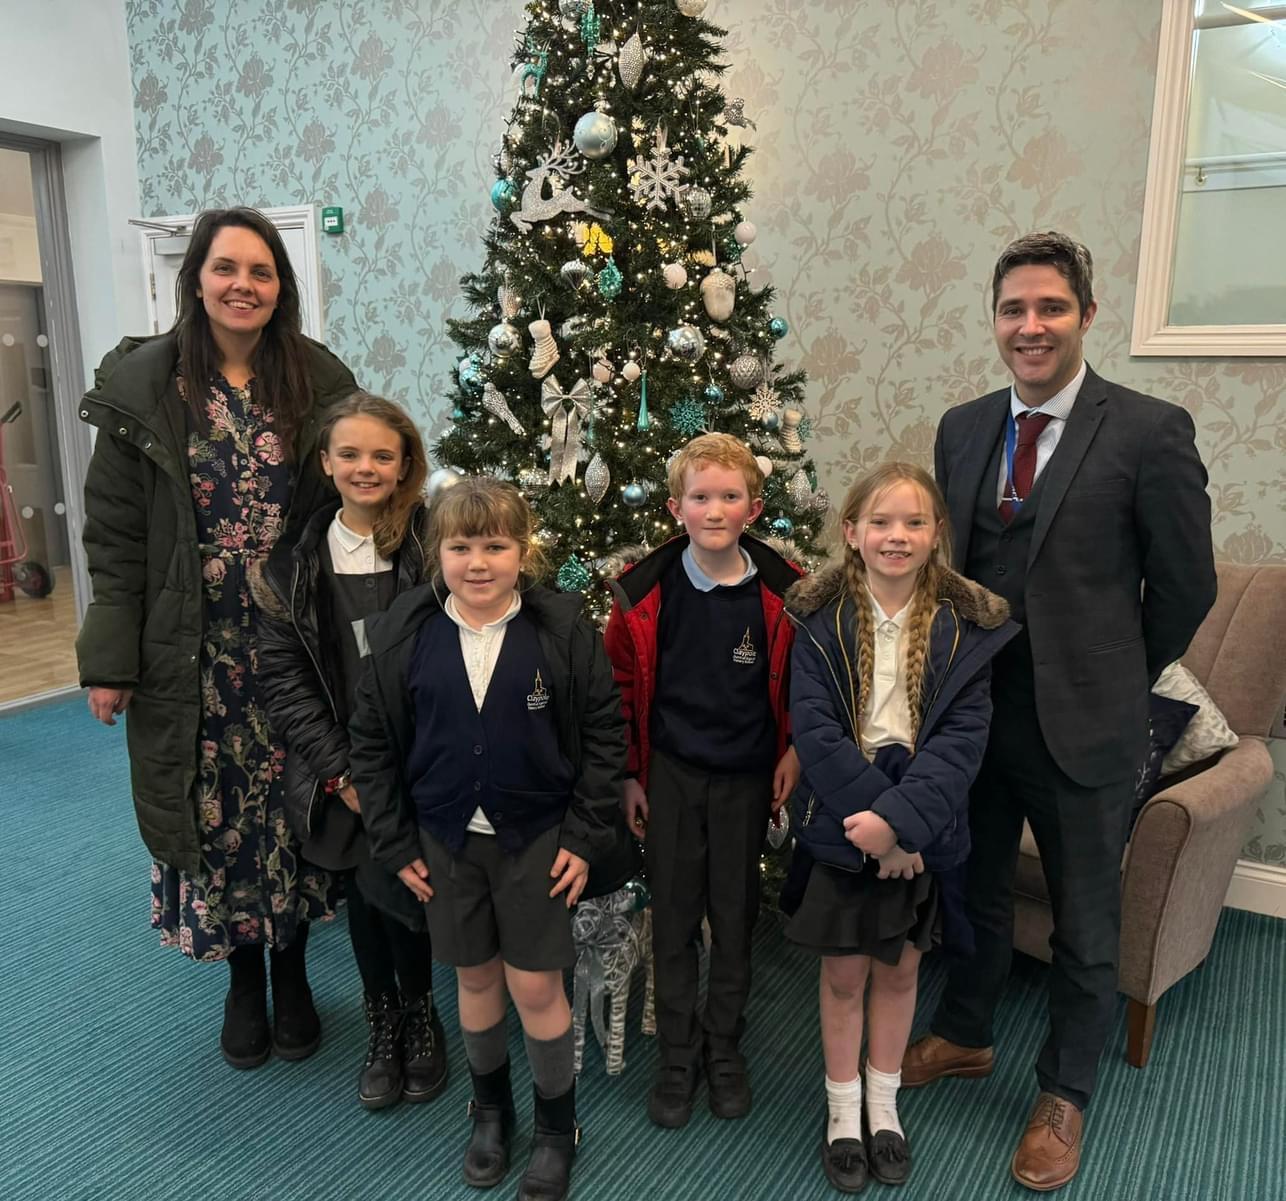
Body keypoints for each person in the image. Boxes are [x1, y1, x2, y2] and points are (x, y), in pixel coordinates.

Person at [903, 231, 1217, 1191]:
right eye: (1013, 309)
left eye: (1050, 307)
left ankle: (1064, 1090)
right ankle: (965, 1030)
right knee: (974, 889)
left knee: (1085, 918)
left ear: (1087, 314)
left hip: (1086, 723)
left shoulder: (1150, 431)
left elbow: (1187, 586)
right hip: (974, 716)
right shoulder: (962, 428)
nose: (1030, 326)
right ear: (995, 320)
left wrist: (1118, 671)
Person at [76, 206, 359, 1068]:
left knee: (294, 800)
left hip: (294, 642)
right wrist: (109, 660)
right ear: (195, 279)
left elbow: (354, 505)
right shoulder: (147, 388)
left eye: (261, 271)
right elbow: (115, 537)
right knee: (220, 809)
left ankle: (293, 969)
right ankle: (242, 980)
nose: (244, 285)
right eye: (226, 268)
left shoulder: (316, 380)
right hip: (193, 647)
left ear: (281, 287)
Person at [348, 476, 624, 1201]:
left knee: (534, 983)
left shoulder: (562, 633)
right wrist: (394, 841)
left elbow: (605, 738)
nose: (477, 563)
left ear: (523, 552)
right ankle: (490, 1110)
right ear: (436, 552)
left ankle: (557, 1127)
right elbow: (371, 745)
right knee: (473, 977)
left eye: (495, 546)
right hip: (444, 839)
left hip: (536, 838)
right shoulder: (403, 635)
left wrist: (584, 835)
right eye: (461, 546)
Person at [781, 462, 1017, 1192]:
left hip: (924, 822)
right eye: (880, 522)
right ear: (851, 531)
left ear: (936, 532)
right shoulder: (818, 620)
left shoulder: (967, 627)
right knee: (844, 974)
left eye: (914, 522)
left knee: (901, 968)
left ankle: (883, 1107)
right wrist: (876, 825)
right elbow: (814, 731)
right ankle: (842, 1112)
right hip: (843, 818)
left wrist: (905, 827)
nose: (897, 536)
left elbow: (963, 741)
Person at [253, 391, 449, 1109]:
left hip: (424, 759)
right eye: (351, 454)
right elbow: (285, 681)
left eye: (383, 456)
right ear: (326, 462)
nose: (366, 467)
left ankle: (422, 1011)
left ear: (405, 466)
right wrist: (342, 773)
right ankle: (383, 1016)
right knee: (369, 889)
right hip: (343, 768)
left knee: (410, 886)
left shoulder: (435, 546)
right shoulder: (290, 568)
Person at [602, 432, 803, 1129]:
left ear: (754, 507)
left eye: (730, 497)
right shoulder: (644, 594)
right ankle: (678, 1051)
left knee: (735, 915)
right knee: (676, 916)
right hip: (672, 777)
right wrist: (630, 775)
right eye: (700, 497)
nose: (714, 510)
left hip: (746, 778)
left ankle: (724, 1044)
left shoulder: (784, 594)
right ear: (675, 507)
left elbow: (804, 684)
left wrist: (794, 751)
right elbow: (619, 689)